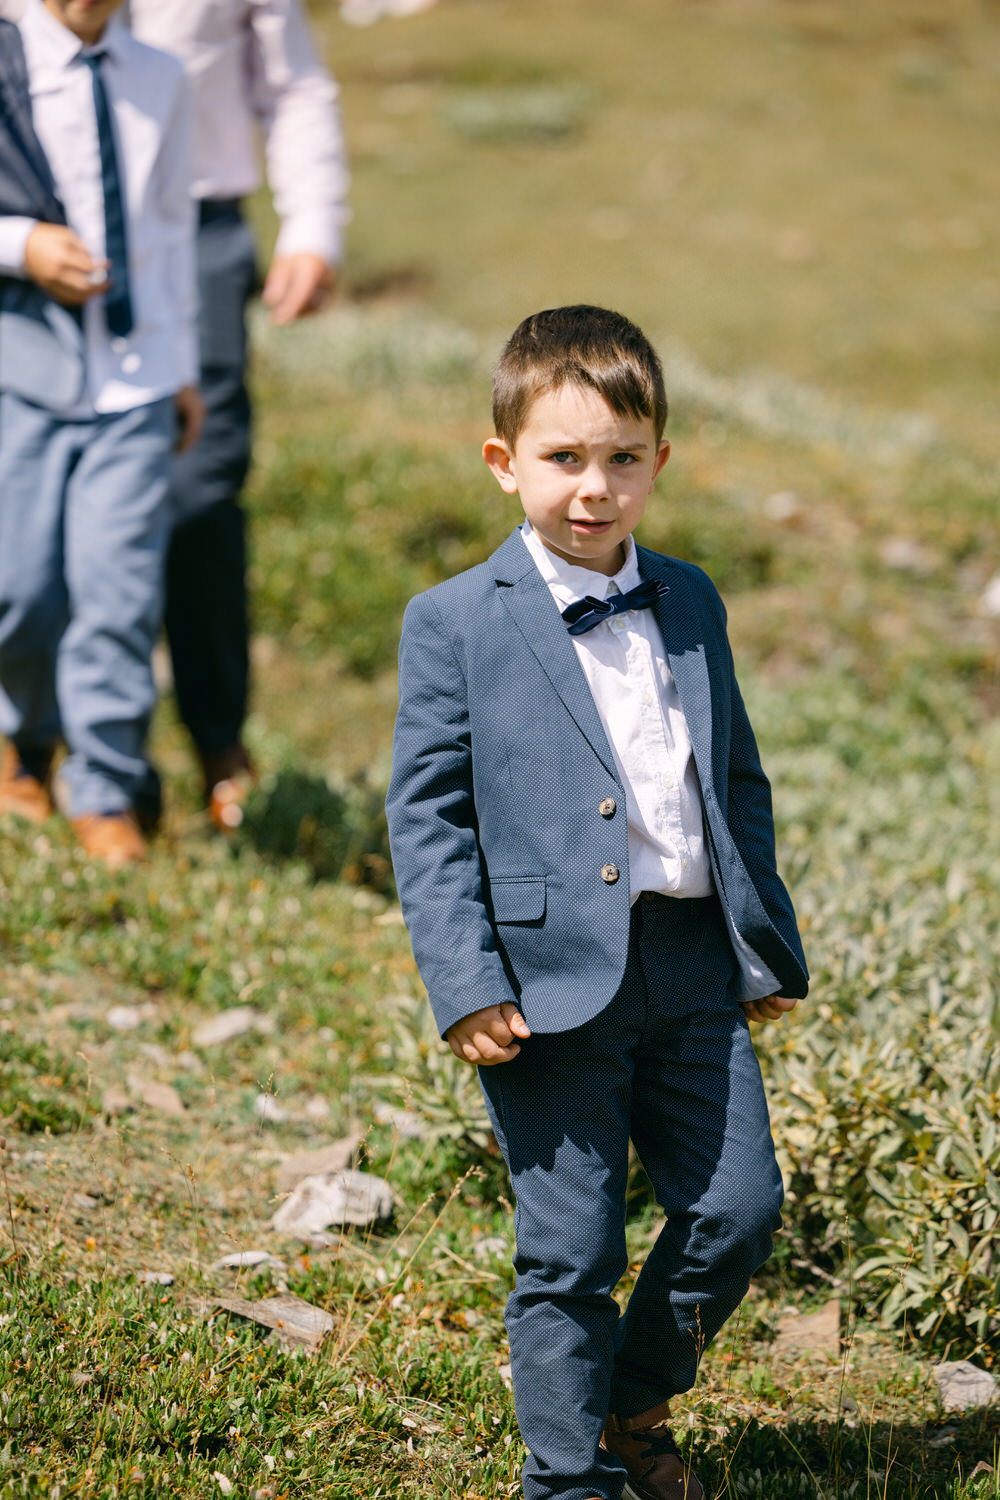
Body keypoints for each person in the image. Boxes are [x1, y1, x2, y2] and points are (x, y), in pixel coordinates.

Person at [385, 306, 809, 1500]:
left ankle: (632, 1395)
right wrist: (466, 985)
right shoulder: (454, 622)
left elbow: (733, 783)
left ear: (658, 463)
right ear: (503, 461)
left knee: (737, 1209)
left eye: (622, 457)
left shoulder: (688, 598)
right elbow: (427, 821)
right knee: (568, 1251)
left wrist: (755, 945)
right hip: (543, 983)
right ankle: (565, 1479)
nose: (593, 486)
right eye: (564, 458)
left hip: (687, 963)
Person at [127, 0, 350, 833]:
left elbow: (293, 82)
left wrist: (314, 224)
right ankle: (46, 740)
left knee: (201, 490)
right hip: (56, 235)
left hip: (200, 229)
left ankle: (218, 740)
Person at [0, 0, 201, 867]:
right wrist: (22, 245)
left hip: (138, 378)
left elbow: (169, 231)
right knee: (22, 584)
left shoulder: (162, 77)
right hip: (20, 371)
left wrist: (183, 362)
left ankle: (106, 785)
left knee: (117, 596)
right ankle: (15, 741)